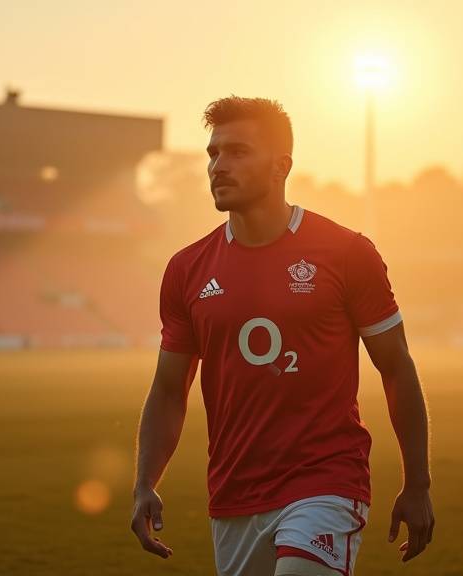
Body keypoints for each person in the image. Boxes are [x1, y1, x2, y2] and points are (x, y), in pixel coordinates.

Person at [131, 96, 434, 576]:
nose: (219, 166)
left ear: (281, 165)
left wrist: (417, 483)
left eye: (237, 152)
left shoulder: (347, 253)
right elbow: (170, 389)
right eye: (213, 154)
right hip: (233, 493)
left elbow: (396, 367)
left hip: (325, 482)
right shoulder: (187, 269)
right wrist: (145, 481)